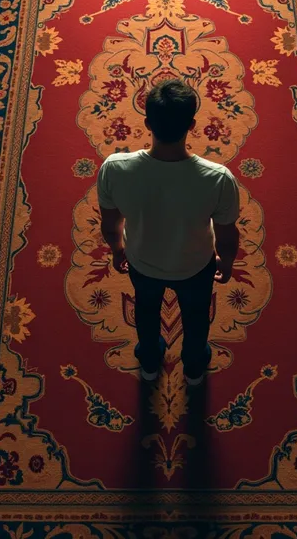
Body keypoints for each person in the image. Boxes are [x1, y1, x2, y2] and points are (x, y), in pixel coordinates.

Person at [97, 79, 240, 385]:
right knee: (197, 316)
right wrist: (226, 263)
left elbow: (110, 224)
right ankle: (193, 367)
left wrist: (117, 250)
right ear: (192, 124)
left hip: (141, 262)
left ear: (147, 122)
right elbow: (227, 236)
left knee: (146, 312)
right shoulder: (218, 179)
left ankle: (149, 361)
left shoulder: (114, 168)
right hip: (196, 266)